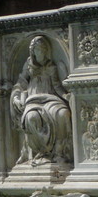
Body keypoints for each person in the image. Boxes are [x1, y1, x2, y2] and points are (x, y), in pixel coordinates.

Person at [10, 35, 72, 166]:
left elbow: (57, 86)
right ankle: (44, 151)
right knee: (31, 117)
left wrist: (66, 97)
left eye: (43, 49)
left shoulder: (51, 66)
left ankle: (59, 152)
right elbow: (21, 84)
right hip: (33, 101)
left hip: (51, 98)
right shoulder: (28, 66)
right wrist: (16, 97)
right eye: (38, 50)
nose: (41, 52)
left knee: (63, 113)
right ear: (33, 51)